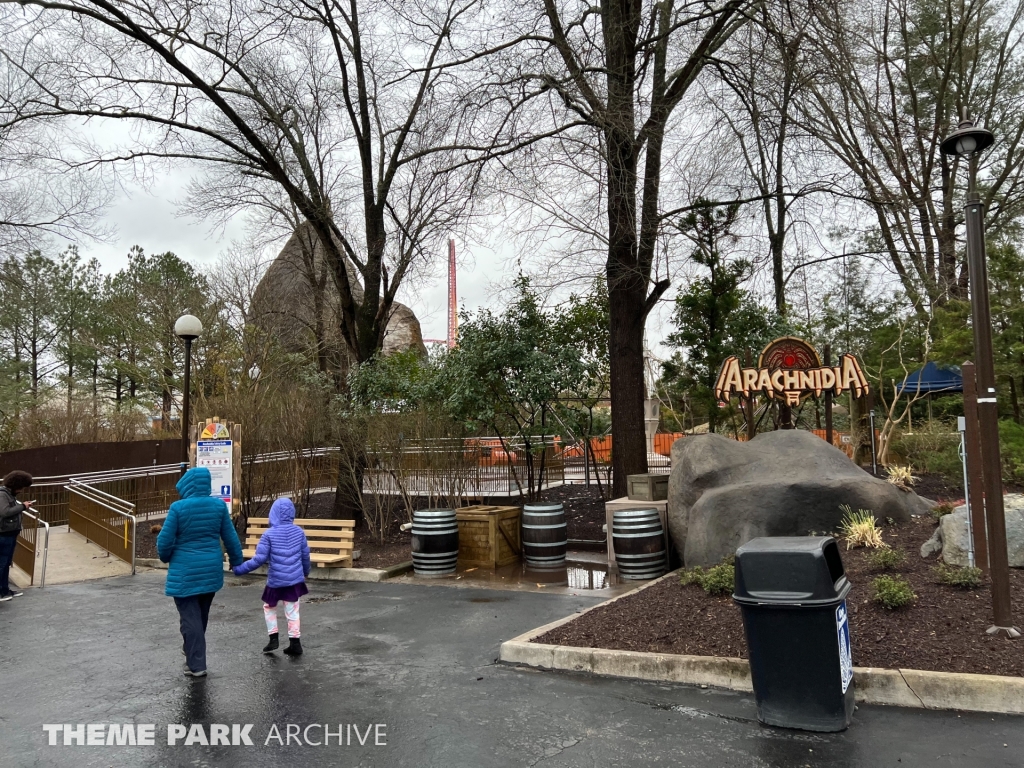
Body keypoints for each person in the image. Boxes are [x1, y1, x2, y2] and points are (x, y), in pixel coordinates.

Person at [157, 466, 244, 677]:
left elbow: (164, 542)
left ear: (186, 484)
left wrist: (166, 557)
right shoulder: (218, 507)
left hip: (184, 573)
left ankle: (196, 665)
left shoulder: (178, 508)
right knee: (199, 617)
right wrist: (236, 560)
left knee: (190, 619)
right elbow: (230, 536)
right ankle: (192, 653)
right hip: (210, 570)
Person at [232, 497, 310, 656]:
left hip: (275, 581)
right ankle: (295, 643)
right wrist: (305, 572)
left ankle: (273, 638)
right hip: (294, 581)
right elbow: (305, 556)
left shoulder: (269, 534)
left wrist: (240, 569)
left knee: (269, 608)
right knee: (293, 611)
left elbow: (259, 559)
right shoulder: (299, 532)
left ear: (273, 513)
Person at [0, 470, 33, 601]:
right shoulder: (3, 495)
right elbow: (5, 512)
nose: (21, 490)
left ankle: (5, 589)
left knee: (6, 562)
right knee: (2, 563)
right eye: (21, 487)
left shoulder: (8, 494)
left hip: (10, 533)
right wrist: (23, 507)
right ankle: (1, 592)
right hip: (4, 534)